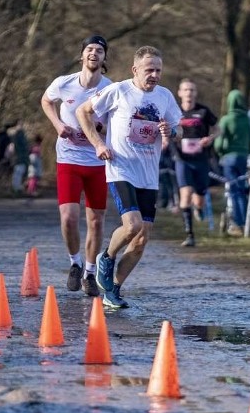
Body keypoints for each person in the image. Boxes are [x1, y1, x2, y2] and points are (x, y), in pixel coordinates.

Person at [76, 45, 182, 309]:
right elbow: (83, 112)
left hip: (148, 174)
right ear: (135, 70)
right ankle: (107, 256)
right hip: (120, 168)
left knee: (142, 239)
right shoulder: (119, 90)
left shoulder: (165, 96)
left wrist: (171, 131)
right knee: (132, 225)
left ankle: (113, 289)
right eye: (149, 70)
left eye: (158, 70)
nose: (154, 75)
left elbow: (177, 128)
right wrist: (99, 144)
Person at [40, 35, 113, 296]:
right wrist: (59, 125)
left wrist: (101, 129)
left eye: (100, 51)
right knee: (69, 218)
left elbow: (118, 119)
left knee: (95, 220)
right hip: (68, 159)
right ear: (82, 55)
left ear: (104, 59)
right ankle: (75, 263)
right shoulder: (64, 83)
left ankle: (90, 272)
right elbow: (46, 101)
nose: (94, 54)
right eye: (90, 50)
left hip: (97, 162)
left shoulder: (110, 88)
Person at [173, 78, 220, 247]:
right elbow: (165, 128)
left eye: (192, 90)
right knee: (185, 194)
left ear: (195, 93)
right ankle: (190, 234)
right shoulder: (174, 111)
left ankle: (198, 208)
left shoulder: (203, 111)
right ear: (180, 93)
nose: (188, 93)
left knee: (199, 198)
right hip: (182, 159)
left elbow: (218, 128)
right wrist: (167, 140)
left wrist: (210, 138)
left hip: (201, 159)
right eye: (185, 90)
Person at [213, 89, 250, 236]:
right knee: (242, 190)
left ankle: (238, 223)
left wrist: (220, 152)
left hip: (229, 158)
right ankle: (246, 222)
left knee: (233, 191)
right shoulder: (248, 120)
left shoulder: (226, 120)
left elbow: (218, 142)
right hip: (243, 157)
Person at [10, 120, 29, 195]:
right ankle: (16, 188)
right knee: (18, 173)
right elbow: (17, 147)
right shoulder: (18, 135)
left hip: (21, 157)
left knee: (19, 173)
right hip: (19, 157)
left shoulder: (20, 134)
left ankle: (17, 188)